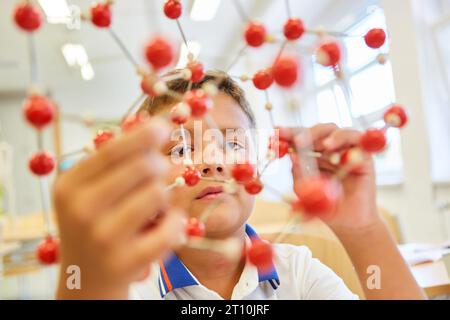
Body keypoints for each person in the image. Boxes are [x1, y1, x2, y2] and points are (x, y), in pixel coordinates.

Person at [54, 71, 425, 300]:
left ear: (259, 164)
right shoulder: (128, 286)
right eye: (182, 147)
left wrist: (363, 230)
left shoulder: (298, 273)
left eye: (232, 143)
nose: (213, 161)